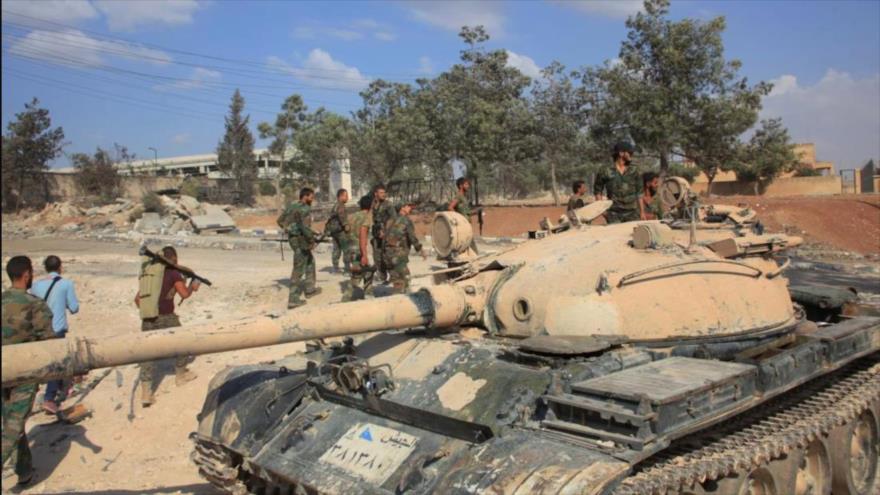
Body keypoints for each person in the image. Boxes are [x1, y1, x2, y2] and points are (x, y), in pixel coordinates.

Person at [2, 256, 54, 486]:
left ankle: (24, 470)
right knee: (13, 425)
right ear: (26, 275)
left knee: (12, 421)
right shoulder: (34, 305)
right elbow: (49, 343)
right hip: (24, 372)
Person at [133, 246, 199, 406]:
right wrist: (192, 287)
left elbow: (137, 300)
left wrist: (150, 310)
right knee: (183, 343)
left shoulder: (151, 274)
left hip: (148, 318)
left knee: (147, 353)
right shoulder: (173, 273)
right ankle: (181, 376)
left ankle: (146, 394)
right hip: (167, 317)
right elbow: (184, 294)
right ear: (174, 258)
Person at [30, 255, 80, 414]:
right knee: (57, 363)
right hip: (56, 329)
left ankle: (48, 391)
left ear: (45, 268)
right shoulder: (66, 284)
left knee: (44, 361)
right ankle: (49, 399)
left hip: (40, 330)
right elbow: (74, 308)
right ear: (60, 267)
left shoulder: (36, 286)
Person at [278, 187, 321, 309]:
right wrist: (311, 240)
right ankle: (293, 299)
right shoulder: (305, 209)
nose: (312, 199)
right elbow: (304, 228)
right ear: (305, 196)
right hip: (301, 240)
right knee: (298, 268)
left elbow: (280, 221)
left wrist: (290, 229)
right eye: (311, 197)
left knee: (310, 262)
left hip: (294, 239)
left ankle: (310, 289)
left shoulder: (292, 206)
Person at [594, 141, 641, 224]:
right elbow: (598, 190)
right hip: (613, 214)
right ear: (621, 153)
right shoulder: (605, 170)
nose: (632, 154)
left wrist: (642, 212)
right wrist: (602, 211)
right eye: (629, 152)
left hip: (633, 214)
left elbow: (640, 193)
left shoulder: (635, 169)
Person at [384, 202, 426, 294]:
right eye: (408, 207)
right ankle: (405, 301)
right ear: (402, 208)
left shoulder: (390, 220)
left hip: (388, 254)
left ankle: (396, 299)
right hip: (398, 255)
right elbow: (412, 237)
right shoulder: (406, 220)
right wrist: (420, 250)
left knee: (396, 279)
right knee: (405, 278)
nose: (410, 209)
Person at [342, 195, 375, 301]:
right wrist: (364, 254)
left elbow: (346, 231)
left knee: (367, 270)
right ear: (371, 205)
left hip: (350, 247)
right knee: (357, 274)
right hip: (358, 249)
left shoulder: (352, 216)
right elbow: (363, 235)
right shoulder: (366, 217)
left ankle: (368, 293)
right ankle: (346, 298)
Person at [370, 185, 394, 284]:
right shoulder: (373, 204)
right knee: (377, 256)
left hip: (386, 233)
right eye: (381, 193)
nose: (383, 195)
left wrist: (385, 231)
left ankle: (393, 276)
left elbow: (393, 218)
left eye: (384, 193)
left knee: (387, 256)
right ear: (376, 194)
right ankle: (382, 276)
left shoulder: (388, 205)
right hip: (376, 233)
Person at [326, 188, 351, 274]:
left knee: (336, 249)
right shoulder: (340, 205)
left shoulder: (335, 205)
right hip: (340, 231)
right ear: (340, 196)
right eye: (346, 196)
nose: (347, 197)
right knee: (346, 249)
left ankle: (335, 268)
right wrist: (346, 226)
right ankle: (347, 269)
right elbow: (342, 217)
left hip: (334, 231)